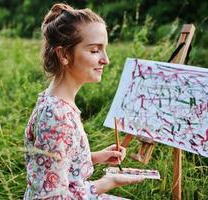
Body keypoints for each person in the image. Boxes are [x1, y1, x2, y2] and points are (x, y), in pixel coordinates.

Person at [24, 3, 144, 199]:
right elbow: (50, 196)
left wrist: (95, 157)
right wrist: (106, 183)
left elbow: (59, 164)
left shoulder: (56, 101)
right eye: (95, 50)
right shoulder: (57, 117)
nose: (106, 59)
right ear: (64, 55)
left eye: (104, 49)